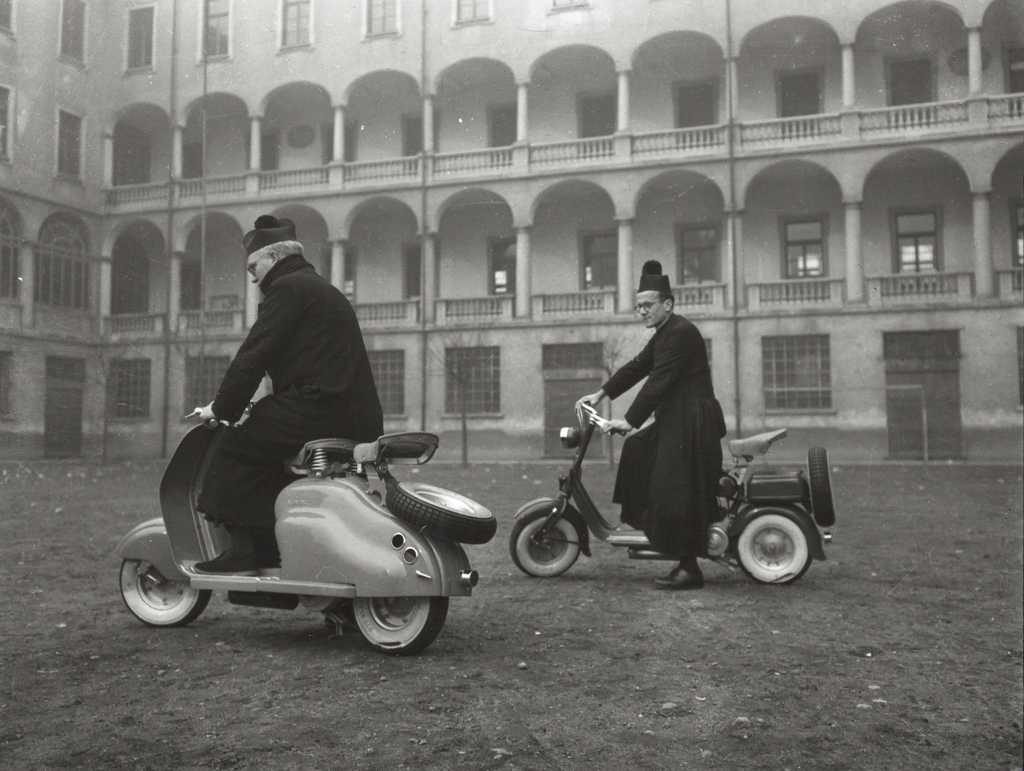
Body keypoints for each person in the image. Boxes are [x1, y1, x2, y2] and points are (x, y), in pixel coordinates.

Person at [193, 214, 383, 572]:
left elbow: (254, 354)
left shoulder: (287, 289)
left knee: (234, 445)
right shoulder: (320, 289)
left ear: (275, 258)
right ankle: (277, 543)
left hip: (318, 407)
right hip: (356, 414)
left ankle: (249, 550)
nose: (252, 277)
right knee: (268, 447)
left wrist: (222, 409)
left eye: (254, 266)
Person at [577, 260, 726, 590]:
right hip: (677, 417)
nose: (641, 311)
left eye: (648, 305)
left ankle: (689, 567)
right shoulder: (664, 334)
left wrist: (628, 421)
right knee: (637, 450)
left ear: (668, 304)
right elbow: (636, 367)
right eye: (639, 306)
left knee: (674, 486)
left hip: (693, 422)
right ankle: (651, 528)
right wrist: (600, 394)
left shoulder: (681, 333)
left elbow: (657, 382)